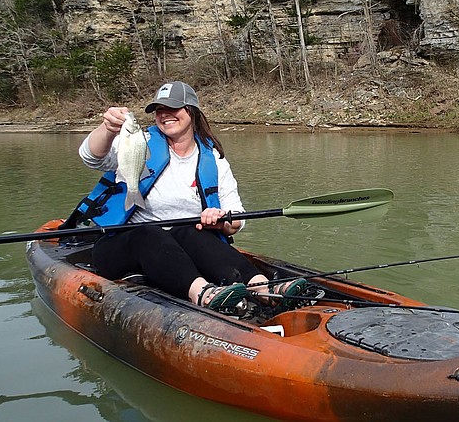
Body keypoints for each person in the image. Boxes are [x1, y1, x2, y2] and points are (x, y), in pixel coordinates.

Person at [74, 81, 307, 311]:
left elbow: (237, 220)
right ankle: (202, 293)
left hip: (181, 247)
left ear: (191, 112)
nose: (165, 115)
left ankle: (263, 288)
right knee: (149, 232)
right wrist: (108, 128)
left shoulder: (213, 160)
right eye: (159, 110)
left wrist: (221, 219)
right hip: (123, 247)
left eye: (173, 108)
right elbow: (91, 157)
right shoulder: (138, 142)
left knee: (190, 231)